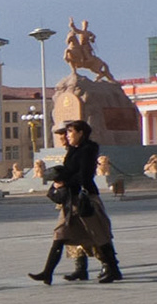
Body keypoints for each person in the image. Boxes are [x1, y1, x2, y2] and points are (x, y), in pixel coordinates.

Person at [30, 120, 122, 284]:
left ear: (81, 133)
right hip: (70, 199)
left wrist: (66, 181)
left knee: (99, 235)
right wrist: (58, 178)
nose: (67, 136)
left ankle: (113, 270)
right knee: (59, 235)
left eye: (71, 132)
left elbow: (85, 176)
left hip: (85, 199)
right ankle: (47, 272)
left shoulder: (88, 150)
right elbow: (69, 171)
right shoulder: (73, 150)